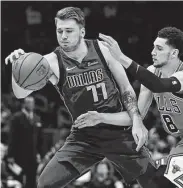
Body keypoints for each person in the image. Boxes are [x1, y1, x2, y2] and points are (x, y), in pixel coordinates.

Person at [5, 7, 160, 188]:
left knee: (154, 182)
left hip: (118, 132)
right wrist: (18, 69)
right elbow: (20, 93)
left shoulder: (102, 49)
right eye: (59, 31)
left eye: (69, 31)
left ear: (82, 32)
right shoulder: (51, 62)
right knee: (45, 184)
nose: (63, 36)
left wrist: (136, 120)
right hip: (84, 137)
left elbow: (126, 88)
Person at [74, 27, 183, 188]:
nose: (153, 52)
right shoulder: (153, 72)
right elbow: (135, 115)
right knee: (154, 178)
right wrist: (100, 117)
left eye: (159, 48)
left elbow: (158, 85)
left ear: (174, 53)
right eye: (153, 46)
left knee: (162, 179)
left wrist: (121, 57)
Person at [7, 96, 42, 188]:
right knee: (18, 179)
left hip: (33, 155)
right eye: (28, 102)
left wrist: (39, 153)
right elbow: (12, 137)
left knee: (32, 179)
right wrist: (10, 155)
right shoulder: (16, 117)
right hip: (19, 154)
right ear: (24, 104)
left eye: (32, 102)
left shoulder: (37, 118)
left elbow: (40, 138)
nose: (31, 104)